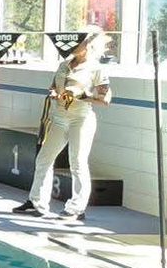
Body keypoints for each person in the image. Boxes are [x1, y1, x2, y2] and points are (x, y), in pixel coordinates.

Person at [15, 28, 112, 224]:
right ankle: (37, 203)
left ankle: (76, 209)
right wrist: (54, 93)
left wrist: (83, 96)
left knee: (77, 163)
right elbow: (54, 86)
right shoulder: (64, 65)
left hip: (81, 119)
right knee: (44, 159)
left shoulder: (96, 69)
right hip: (59, 118)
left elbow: (106, 99)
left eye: (78, 42)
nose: (73, 46)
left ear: (88, 45)